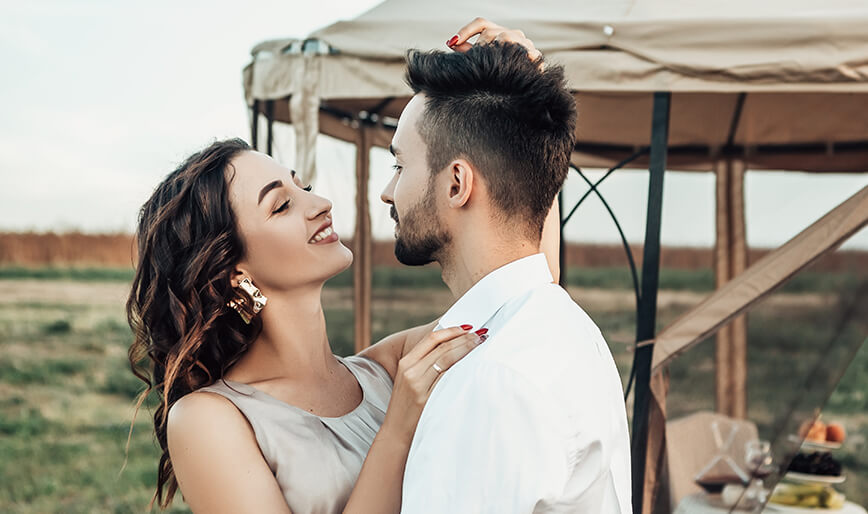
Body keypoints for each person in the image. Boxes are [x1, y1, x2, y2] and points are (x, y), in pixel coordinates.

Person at [125, 20, 554, 514]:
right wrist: (398, 428)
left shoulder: (391, 369)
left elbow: (519, 285)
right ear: (232, 273)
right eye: (281, 205)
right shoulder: (209, 419)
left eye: (302, 185)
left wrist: (528, 105)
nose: (320, 203)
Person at [380, 18, 632, 513]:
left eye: (399, 165)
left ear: (457, 184)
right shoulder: (559, 324)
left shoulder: (491, 378)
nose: (387, 192)